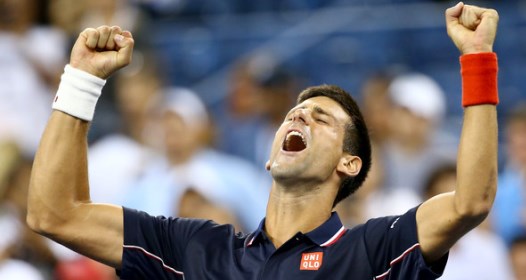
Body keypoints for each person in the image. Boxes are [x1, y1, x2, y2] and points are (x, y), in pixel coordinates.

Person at [27, 3, 499, 279]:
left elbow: (470, 202)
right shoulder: (197, 248)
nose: (300, 116)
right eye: (296, 112)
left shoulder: (371, 249)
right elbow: (53, 213)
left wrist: (478, 59)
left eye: (322, 119)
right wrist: (81, 80)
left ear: (349, 165)